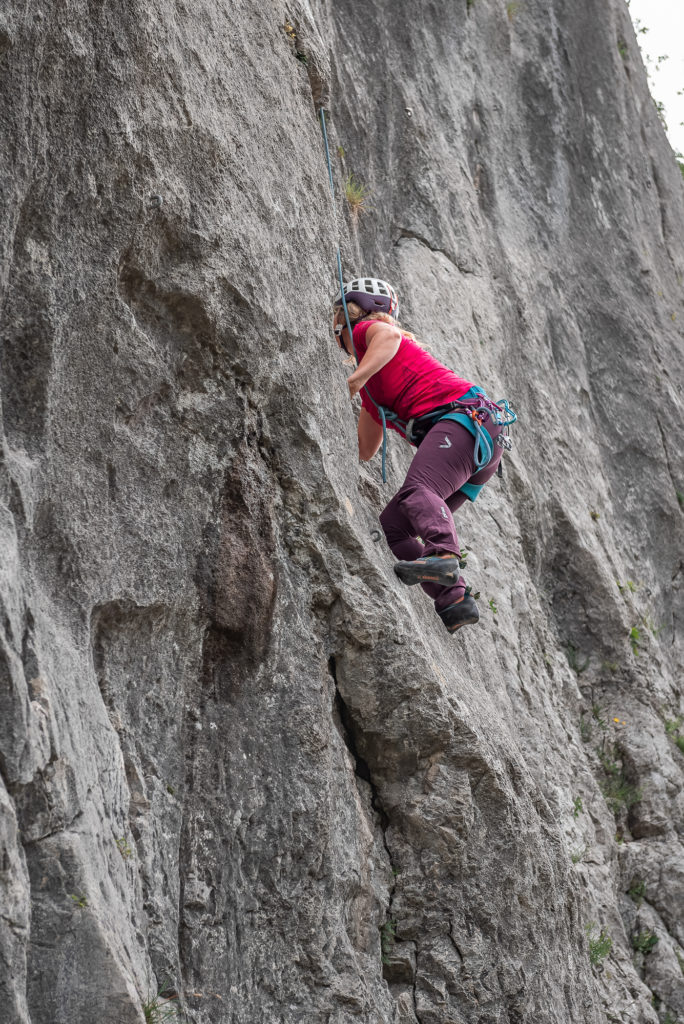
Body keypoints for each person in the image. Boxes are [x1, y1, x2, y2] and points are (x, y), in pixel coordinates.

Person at [333, 276, 512, 634]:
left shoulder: (368, 330)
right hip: (480, 444)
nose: (335, 333)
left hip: (467, 421)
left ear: (349, 315)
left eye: (337, 321)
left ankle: (444, 555)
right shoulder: (373, 390)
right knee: (394, 528)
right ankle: (455, 600)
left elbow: (390, 337)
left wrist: (352, 380)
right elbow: (366, 451)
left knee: (419, 491)